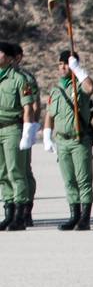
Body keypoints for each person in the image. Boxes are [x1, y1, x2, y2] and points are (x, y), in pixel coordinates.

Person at [45, 50, 93, 230]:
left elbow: (91, 88)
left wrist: (77, 69)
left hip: (78, 140)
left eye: (66, 64)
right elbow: (50, 114)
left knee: (83, 179)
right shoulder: (56, 89)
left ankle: (85, 218)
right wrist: (47, 135)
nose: (62, 67)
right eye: (60, 64)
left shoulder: (79, 86)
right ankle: (74, 215)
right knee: (69, 180)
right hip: (62, 141)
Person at [0, 42, 38, 231]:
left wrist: (27, 131)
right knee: (2, 173)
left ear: (8, 58)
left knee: (16, 171)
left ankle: (20, 214)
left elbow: (28, 107)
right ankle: (8, 211)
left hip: (12, 128)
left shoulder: (19, 79)